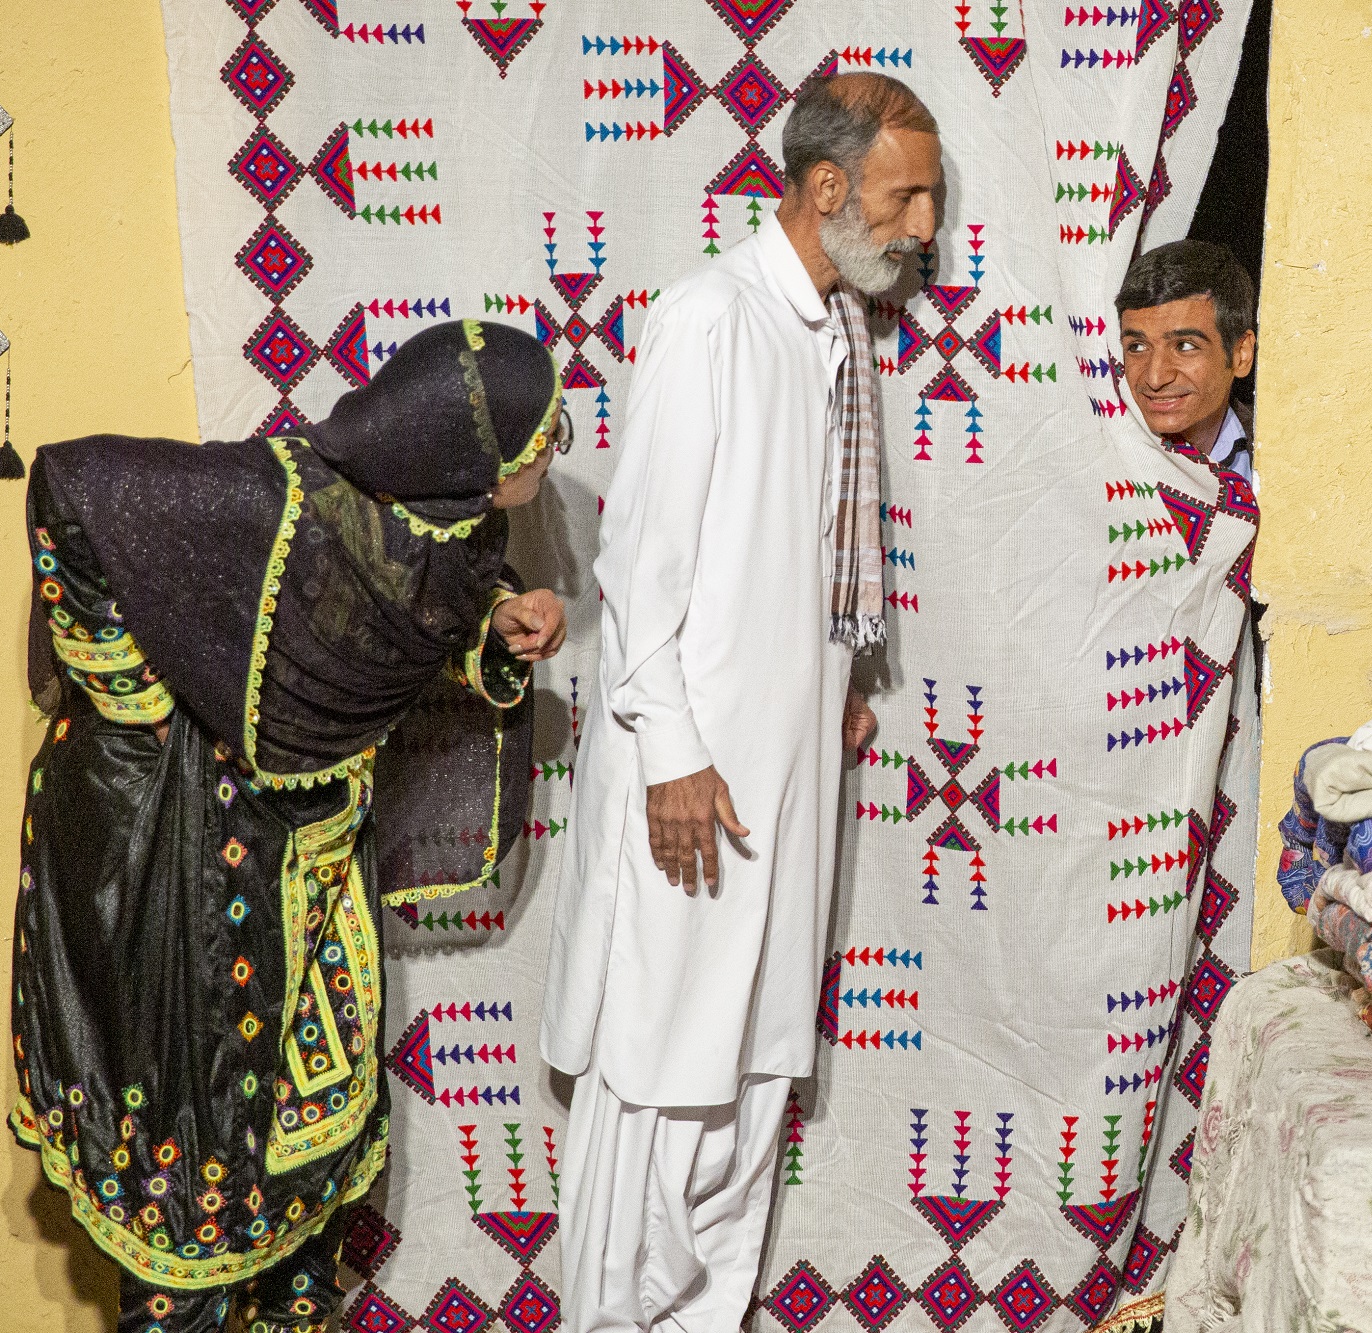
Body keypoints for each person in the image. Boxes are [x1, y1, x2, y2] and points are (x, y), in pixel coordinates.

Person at [7, 320, 569, 1333]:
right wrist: (130, 705)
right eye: (544, 438)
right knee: (198, 1175)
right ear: (474, 453)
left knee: (312, 1174)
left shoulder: (447, 528)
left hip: (321, 879)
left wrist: (488, 626)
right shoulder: (279, 497)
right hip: (197, 873)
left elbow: (390, 618)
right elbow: (71, 485)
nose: (551, 453)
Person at [540, 72, 943, 1333]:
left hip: (786, 774)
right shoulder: (711, 318)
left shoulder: (833, 334)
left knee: (751, 1081)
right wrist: (669, 752)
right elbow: (638, 561)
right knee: (657, 1079)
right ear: (825, 190)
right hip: (694, 773)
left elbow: (793, 552)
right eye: (905, 198)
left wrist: (833, 681)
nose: (925, 226)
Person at [1114, 238, 1258, 481]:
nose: (1155, 378)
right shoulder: (1093, 463)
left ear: (1241, 355)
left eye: (1184, 346)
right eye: (1137, 347)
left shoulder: (1287, 458)